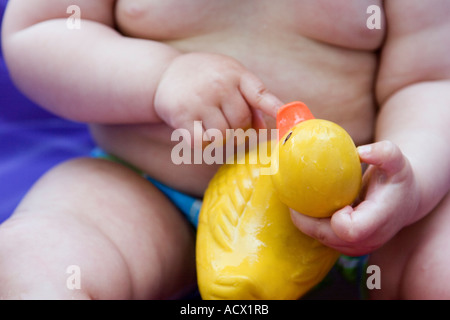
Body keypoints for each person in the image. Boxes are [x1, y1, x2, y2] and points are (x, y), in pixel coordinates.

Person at [1, 0, 449, 300]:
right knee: (40, 256)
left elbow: (431, 80)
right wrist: (159, 77)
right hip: (151, 191)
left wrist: (409, 183)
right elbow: (43, 30)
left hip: (361, 206)